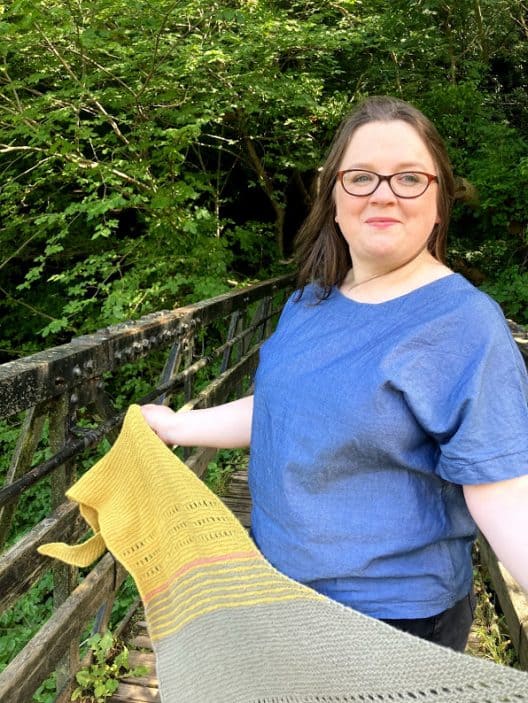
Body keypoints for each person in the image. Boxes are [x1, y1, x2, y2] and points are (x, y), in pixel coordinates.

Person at [141, 96, 528, 652]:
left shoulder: (464, 324)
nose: (384, 194)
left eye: (410, 178)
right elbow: (286, 409)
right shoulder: (310, 302)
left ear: (440, 200)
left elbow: (505, 493)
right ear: (335, 197)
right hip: (276, 590)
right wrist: (179, 425)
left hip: (391, 626)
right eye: (361, 177)